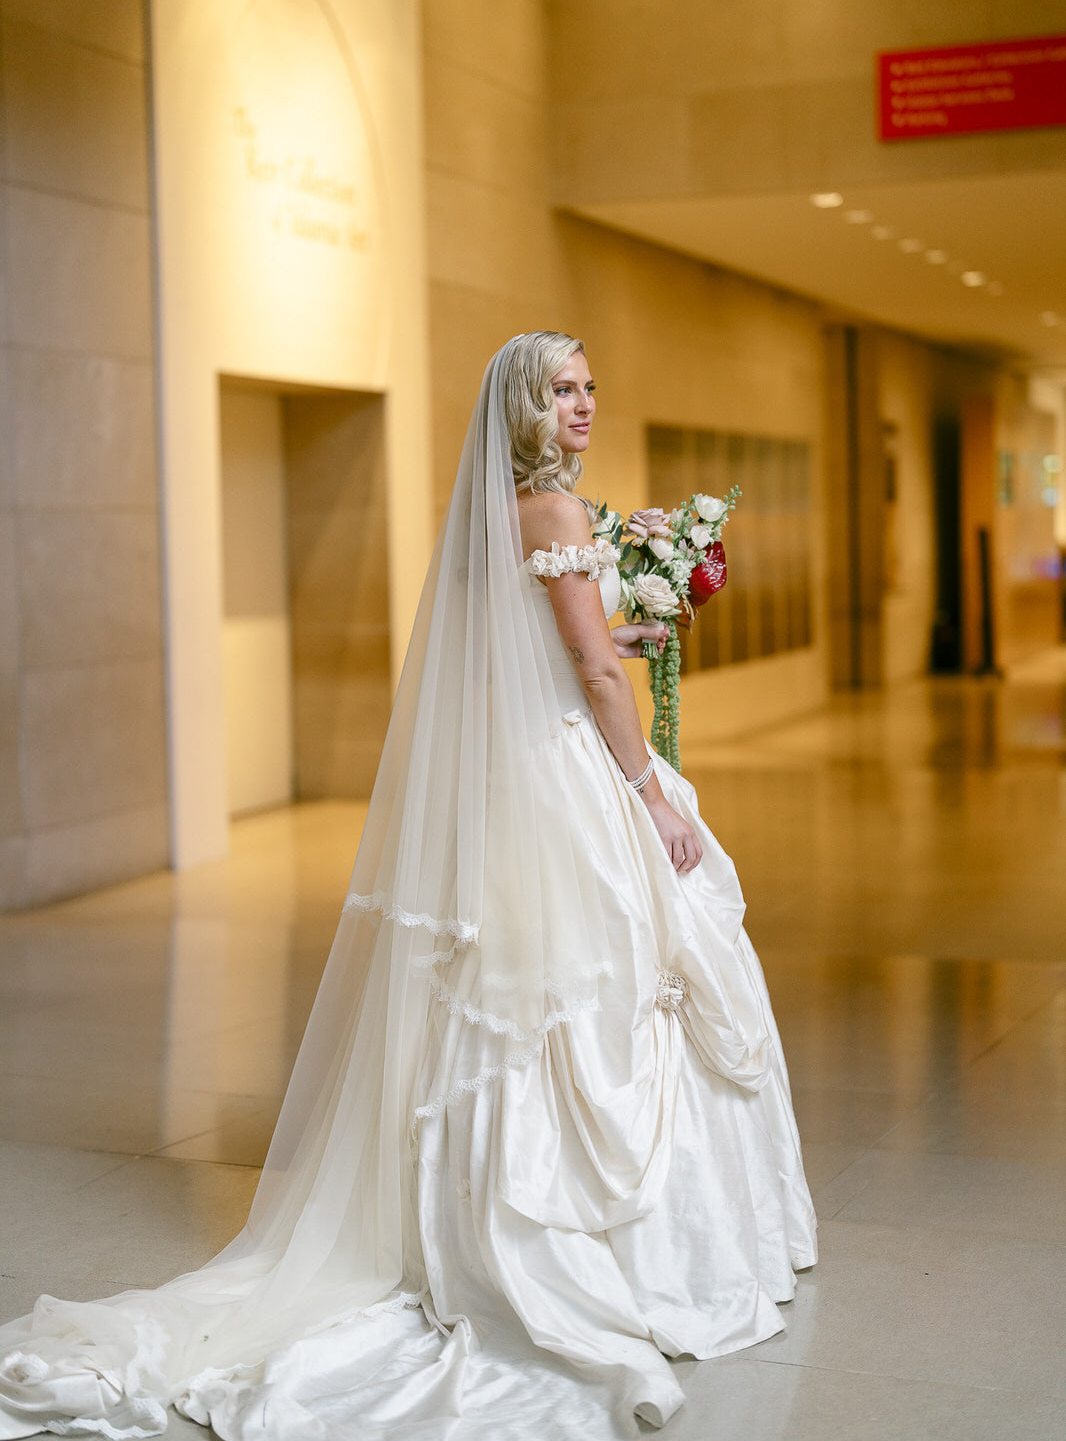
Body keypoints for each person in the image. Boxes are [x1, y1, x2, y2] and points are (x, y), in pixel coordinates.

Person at [0, 333, 816, 1441]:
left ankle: (452, 1223)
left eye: (587, 387)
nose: (580, 405)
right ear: (523, 407)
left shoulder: (493, 513)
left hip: (506, 782)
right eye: (560, 390)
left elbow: (529, 644)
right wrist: (653, 796)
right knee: (599, 979)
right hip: (570, 776)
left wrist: (612, 628)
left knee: (508, 993)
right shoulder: (560, 519)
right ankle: (592, 1250)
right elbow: (583, 675)